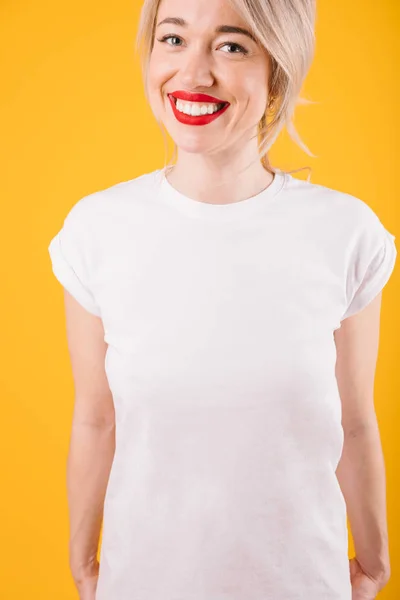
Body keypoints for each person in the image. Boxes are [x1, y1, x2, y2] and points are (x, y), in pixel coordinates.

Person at [47, 0, 397, 599]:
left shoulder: (346, 233)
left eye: (232, 45)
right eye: (173, 38)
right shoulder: (96, 230)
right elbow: (96, 417)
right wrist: (84, 564)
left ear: (278, 71)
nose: (193, 74)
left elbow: (354, 421)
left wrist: (374, 561)